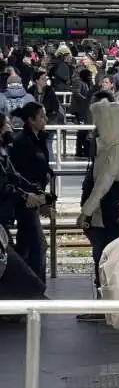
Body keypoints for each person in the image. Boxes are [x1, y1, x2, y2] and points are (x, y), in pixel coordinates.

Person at [77, 100, 119, 322]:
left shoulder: (115, 149)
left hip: (108, 217)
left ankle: (107, 306)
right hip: (107, 215)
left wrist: (86, 211)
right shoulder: (115, 147)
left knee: (104, 258)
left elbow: (103, 183)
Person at [0, 113, 47, 310]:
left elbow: (13, 176)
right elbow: (4, 184)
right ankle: (25, 301)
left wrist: (32, 191)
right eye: (7, 124)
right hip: (4, 211)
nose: (11, 127)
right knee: (12, 260)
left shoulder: (3, 150)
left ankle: (24, 300)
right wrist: (26, 195)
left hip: (5, 213)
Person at [9, 102, 51, 282]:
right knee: (38, 245)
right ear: (31, 120)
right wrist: (40, 198)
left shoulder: (40, 139)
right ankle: (35, 287)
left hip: (35, 197)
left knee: (26, 245)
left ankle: (23, 285)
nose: (46, 119)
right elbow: (22, 175)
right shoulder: (22, 142)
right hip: (25, 200)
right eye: (42, 116)